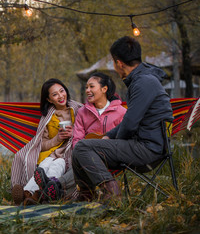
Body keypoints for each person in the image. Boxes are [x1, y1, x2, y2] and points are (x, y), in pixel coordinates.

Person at [72, 36, 173, 202]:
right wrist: (109, 137)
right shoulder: (145, 79)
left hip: (148, 150)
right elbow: (129, 120)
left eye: (113, 61)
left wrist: (111, 143)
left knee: (82, 147)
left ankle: (112, 194)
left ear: (119, 63)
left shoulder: (143, 82)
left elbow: (130, 124)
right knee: (80, 149)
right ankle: (86, 197)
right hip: (149, 144)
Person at [34, 72, 127, 201]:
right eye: (86, 87)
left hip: (113, 155)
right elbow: (77, 139)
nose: (87, 90)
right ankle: (53, 189)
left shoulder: (121, 112)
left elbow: (126, 138)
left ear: (104, 89)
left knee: (84, 160)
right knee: (81, 159)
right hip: (88, 155)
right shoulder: (83, 112)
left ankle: (55, 185)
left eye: (91, 87)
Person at [11, 78, 82, 205]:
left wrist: (74, 134)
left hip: (67, 155)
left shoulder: (79, 110)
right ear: (49, 99)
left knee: (56, 166)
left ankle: (34, 194)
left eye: (62, 91)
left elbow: (87, 132)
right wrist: (57, 139)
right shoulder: (48, 116)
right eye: (55, 94)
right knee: (43, 167)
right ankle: (29, 194)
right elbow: (41, 145)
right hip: (50, 154)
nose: (60, 96)